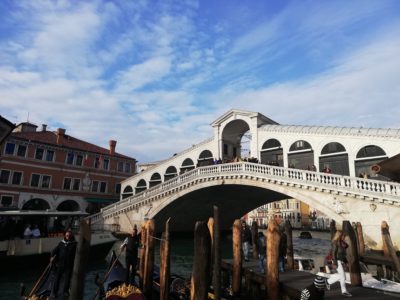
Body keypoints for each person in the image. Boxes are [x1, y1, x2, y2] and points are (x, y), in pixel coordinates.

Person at [50, 230, 77, 299]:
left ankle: (65, 292)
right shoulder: (61, 243)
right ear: (65, 236)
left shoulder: (74, 244)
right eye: (67, 235)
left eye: (69, 236)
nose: (68, 237)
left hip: (69, 264)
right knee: (57, 279)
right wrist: (52, 257)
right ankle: (54, 293)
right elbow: (54, 251)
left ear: (71, 236)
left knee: (67, 279)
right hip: (60, 264)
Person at [327, 230, 352, 297]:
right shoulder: (335, 243)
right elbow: (334, 253)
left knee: (342, 276)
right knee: (343, 276)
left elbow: (344, 253)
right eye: (343, 235)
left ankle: (328, 282)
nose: (344, 237)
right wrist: (335, 263)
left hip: (341, 261)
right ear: (339, 236)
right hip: (336, 260)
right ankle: (344, 291)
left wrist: (346, 262)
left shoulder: (342, 243)